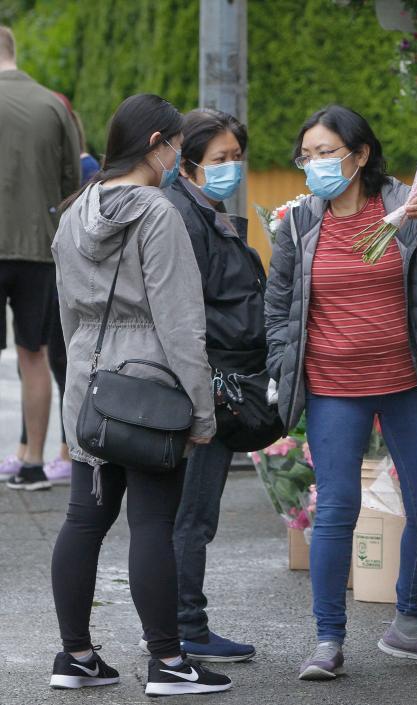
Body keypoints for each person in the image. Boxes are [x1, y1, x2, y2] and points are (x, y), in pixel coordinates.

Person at [264, 105, 417, 681]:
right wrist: (279, 367)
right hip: (335, 387)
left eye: (326, 153)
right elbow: (279, 305)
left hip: (409, 382)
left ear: (359, 155)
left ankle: (409, 627)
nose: (314, 165)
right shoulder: (296, 223)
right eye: (306, 155)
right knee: (338, 509)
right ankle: (327, 641)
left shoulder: (407, 208)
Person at [49, 93, 231, 697]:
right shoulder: (158, 213)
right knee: (153, 523)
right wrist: (202, 411)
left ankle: (75, 656)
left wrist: (80, 391)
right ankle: (170, 664)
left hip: (91, 388)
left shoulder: (74, 213)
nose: (180, 156)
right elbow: (180, 323)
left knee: (84, 518)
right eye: (178, 145)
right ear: (157, 143)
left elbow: (69, 315)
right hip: (151, 388)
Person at [159, 108, 262, 662]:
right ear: (189, 161)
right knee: (191, 514)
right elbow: (187, 308)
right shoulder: (182, 215)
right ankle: (185, 628)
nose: (231, 168)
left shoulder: (205, 211)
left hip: (210, 378)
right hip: (204, 384)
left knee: (189, 512)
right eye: (220, 159)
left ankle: (180, 626)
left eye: (236, 158)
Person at [0, 25, 80, 491]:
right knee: (36, 354)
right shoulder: (53, 103)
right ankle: (33, 461)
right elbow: (73, 178)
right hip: (39, 249)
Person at [9, 96, 101, 487]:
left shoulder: (88, 169)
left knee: (55, 360)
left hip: (44, 261)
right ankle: (34, 458)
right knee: (40, 357)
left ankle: (53, 451)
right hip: (44, 258)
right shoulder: (53, 113)